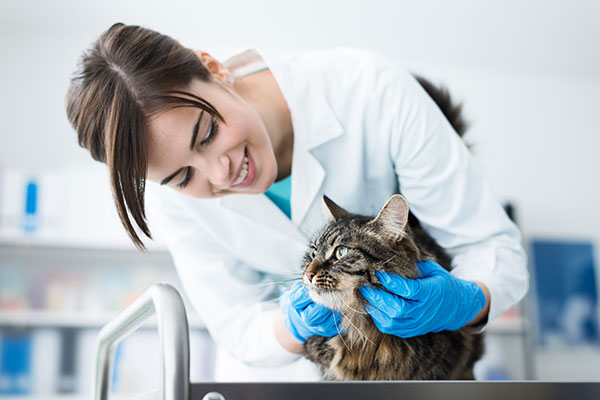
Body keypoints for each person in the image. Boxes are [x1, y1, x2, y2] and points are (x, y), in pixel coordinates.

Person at [66, 23, 529, 381]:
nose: (221, 173)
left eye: (207, 133)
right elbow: (236, 322)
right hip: (282, 381)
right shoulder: (174, 201)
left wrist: (461, 300)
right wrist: (291, 325)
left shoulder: (367, 88)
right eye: (184, 174)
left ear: (214, 67)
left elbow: (491, 247)